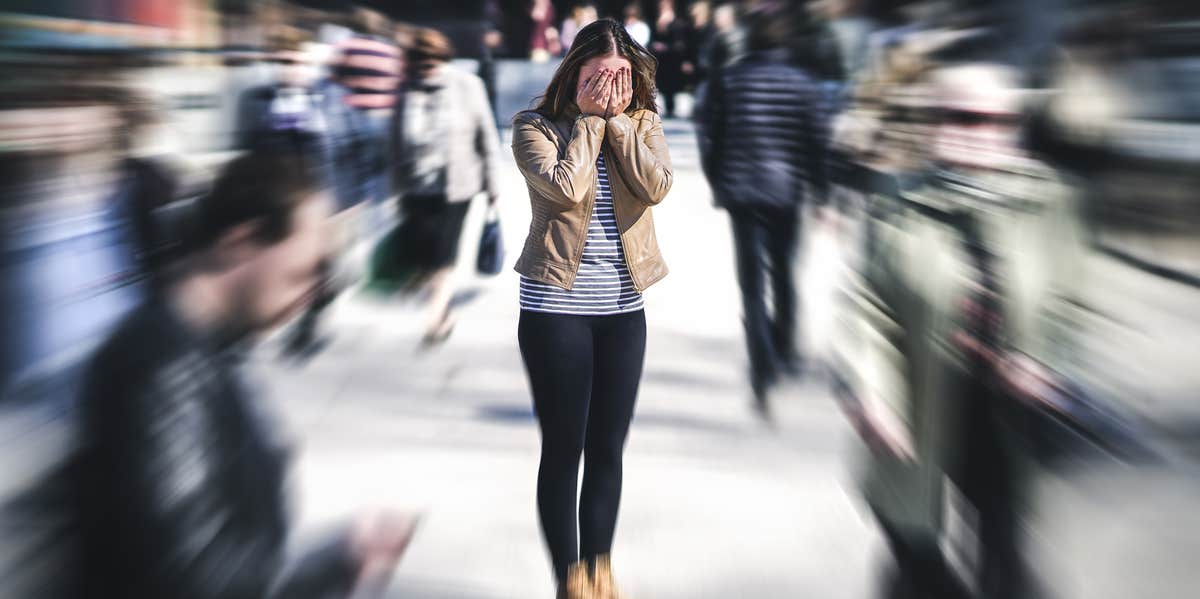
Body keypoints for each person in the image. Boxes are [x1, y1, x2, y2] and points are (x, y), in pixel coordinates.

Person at [74, 150, 417, 598]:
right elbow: (194, 578)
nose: (317, 291)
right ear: (240, 244)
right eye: (308, 270)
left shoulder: (205, 350)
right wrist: (340, 559)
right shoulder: (161, 370)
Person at [511, 17, 672, 599]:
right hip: (556, 308)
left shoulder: (645, 124)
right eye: (601, 75)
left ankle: (600, 570)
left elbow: (655, 187)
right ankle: (569, 579)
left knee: (608, 446)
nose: (614, 87)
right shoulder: (535, 127)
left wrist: (620, 129)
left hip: (624, 310)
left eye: (623, 74)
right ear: (575, 72)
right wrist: (586, 123)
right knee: (565, 447)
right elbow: (566, 187)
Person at [696, 7, 831, 417]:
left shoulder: (729, 80)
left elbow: (711, 136)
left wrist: (717, 180)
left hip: (742, 193)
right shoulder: (803, 84)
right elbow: (817, 142)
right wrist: (821, 191)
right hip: (786, 193)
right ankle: (784, 348)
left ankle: (762, 365)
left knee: (752, 287)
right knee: (785, 273)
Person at [392, 28, 502, 346]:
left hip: (458, 186)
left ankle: (436, 317)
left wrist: (493, 184)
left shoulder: (468, 86)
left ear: (444, 59)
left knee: (443, 252)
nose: (428, 69)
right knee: (424, 254)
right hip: (416, 187)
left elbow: (486, 135)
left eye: (433, 62)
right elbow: (394, 142)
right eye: (421, 64)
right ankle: (440, 302)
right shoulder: (405, 89)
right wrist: (393, 189)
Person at [650, 0, 690, 118]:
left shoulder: (677, 24)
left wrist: (666, 47)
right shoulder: (658, 23)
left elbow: (680, 44)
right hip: (662, 61)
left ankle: (672, 109)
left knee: (672, 85)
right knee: (664, 84)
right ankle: (668, 109)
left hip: (673, 60)